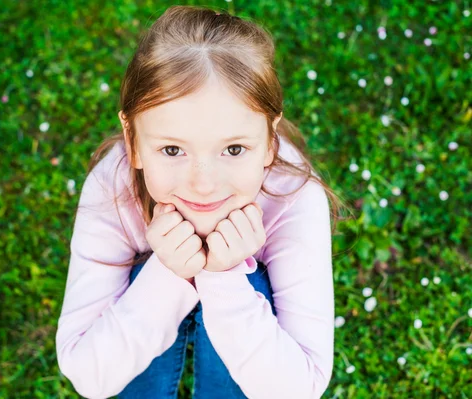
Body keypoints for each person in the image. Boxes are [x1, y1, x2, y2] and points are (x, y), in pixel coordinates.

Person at [56, 5, 346, 399]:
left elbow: (301, 388)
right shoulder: (112, 189)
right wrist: (167, 273)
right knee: (144, 277)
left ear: (270, 140)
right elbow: (89, 375)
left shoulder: (295, 200)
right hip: (146, 313)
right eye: (173, 150)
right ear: (133, 141)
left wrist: (227, 279)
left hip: (245, 319)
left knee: (251, 280)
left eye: (234, 149)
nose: (204, 185)